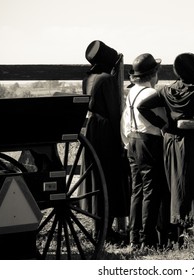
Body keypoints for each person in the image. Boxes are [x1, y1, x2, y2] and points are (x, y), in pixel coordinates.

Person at [137, 52, 194, 248]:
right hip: (193, 143)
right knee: (193, 187)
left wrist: (162, 125)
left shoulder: (166, 91)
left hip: (170, 143)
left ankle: (177, 234)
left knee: (175, 186)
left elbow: (142, 107)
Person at [80, 40, 130, 242]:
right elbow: (115, 111)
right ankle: (105, 231)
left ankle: (97, 228)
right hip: (106, 132)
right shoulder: (107, 79)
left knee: (95, 177)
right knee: (109, 177)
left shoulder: (88, 78)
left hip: (91, 130)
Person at [120, 53, 167, 249]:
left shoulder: (131, 92)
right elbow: (164, 121)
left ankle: (134, 236)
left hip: (132, 141)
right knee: (151, 191)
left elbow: (124, 120)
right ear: (153, 74)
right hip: (150, 142)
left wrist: (126, 142)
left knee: (136, 191)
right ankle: (148, 239)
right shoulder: (151, 94)